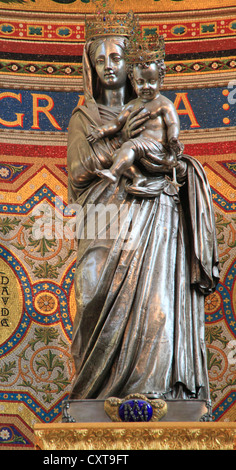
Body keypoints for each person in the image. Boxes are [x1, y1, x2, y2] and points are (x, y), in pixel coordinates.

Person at [67, 23, 219, 405]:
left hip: (155, 213)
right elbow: (78, 171)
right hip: (100, 219)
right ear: (90, 67)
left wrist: (173, 164)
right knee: (90, 290)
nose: (108, 66)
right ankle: (92, 392)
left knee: (157, 311)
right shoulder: (83, 120)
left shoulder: (158, 109)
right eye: (99, 60)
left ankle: (152, 390)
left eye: (116, 57)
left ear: (132, 67)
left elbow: (175, 159)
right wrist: (120, 141)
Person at [87, 59, 184, 188]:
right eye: (140, 82)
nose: (146, 86)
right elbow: (117, 123)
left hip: (157, 148)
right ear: (133, 82)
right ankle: (138, 177)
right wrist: (102, 131)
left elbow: (173, 124)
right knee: (116, 155)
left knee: (130, 146)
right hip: (137, 149)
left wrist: (173, 138)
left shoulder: (164, 104)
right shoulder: (132, 105)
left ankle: (113, 173)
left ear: (160, 81)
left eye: (151, 81)